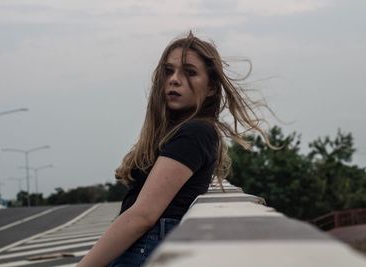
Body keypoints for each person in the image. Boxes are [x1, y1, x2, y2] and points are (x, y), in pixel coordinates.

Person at [77, 31, 271, 267]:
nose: (174, 79)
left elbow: (142, 217)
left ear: (211, 88)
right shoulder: (179, 134)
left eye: (189, 72)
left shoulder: (195, 133)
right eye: (168, 71)